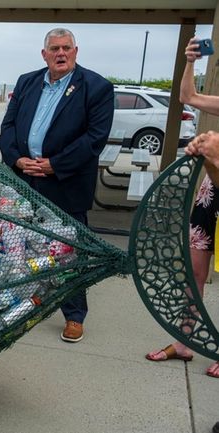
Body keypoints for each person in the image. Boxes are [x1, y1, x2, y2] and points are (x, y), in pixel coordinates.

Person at [0, 28, 114, 343]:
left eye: (66, 48)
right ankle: (22, 308)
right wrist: (17, 159)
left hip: (65, 183)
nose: (60, 53)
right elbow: (7, 126)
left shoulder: (97, 87)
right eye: (54, 49)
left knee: (69, 253)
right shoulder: (27, 82)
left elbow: (95, 139)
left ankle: (74, 315)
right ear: (44, 54)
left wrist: (55, 164)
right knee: (18, 247)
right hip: (25, 179)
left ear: (76, 51)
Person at [149, 36, 219, 379]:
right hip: (211, 193)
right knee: (194, 270)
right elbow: (187, 97)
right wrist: (190, 61)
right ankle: (185, 340)